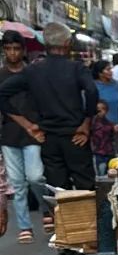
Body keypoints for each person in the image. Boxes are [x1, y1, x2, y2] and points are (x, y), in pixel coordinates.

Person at [0, 21, 97, 191]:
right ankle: (85, 218)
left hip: (48, 138)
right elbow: (91, 92)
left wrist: (28, 126)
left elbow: (2, 94)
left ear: (46, 43)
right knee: (85, 188)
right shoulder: (76, 68)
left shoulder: (33, 70)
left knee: (58, 190)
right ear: (67, 43)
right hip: (76, 135)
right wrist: (86, 123)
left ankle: (62, 218)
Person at [0, 30, 47, 242]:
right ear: (3, 51)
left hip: (33, 134)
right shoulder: (0, 75)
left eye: (16, 48)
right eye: (8, 49)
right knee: (17, 183)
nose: (12, 53)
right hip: (8, 135)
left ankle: (47, 209)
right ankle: (25, 226)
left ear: (23, 50)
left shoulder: (33, 74)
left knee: (35, 177)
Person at [91, 58, 118, 126]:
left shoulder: (117, 84)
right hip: (102, 127)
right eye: (108, 69)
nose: (111, 71)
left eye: (111, 69)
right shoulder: (93, 87)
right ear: (100, 73)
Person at [90, 100, 115, 176]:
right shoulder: (91, 124)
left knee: (109, 173)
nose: (100, 111)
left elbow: (113, 137)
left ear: (106, 111)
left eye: (103, 109)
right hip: (97, 153)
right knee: (99, 173)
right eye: (98, 109)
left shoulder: (110, 124)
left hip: (109, 152)